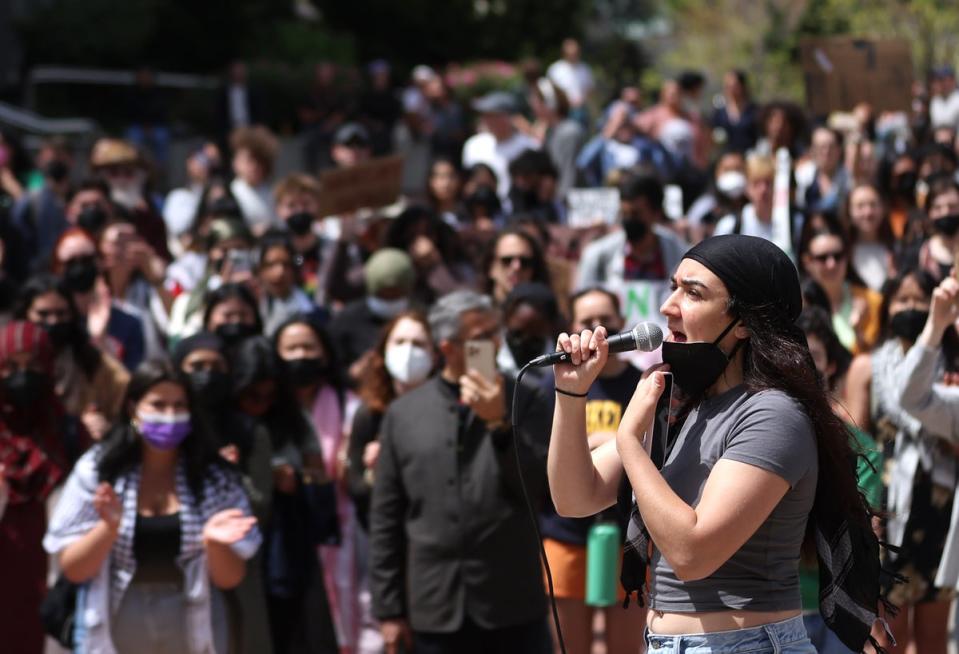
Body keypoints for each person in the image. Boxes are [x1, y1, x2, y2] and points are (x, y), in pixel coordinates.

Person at [548, 234, 884, 653]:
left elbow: (693, 553)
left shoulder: (773, 415)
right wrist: (571, 394)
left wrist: (631, 443)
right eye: (673, 287)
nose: (668, 306)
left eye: (692, 293)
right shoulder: (681, 405)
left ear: (743, 322)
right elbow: (574, 498)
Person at [370, 290, 553, 654]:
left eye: (494, 333)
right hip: (436, 607)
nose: (494, 344)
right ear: (448, 347)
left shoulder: (528, 396)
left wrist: (500, 425)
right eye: (480, 339)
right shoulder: (404, 413)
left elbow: (540, 491)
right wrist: (388, 610)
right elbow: (386, 518)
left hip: (512, 602)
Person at [44, 359, 262, 654]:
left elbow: (230, 577)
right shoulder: (99, 469)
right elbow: (73, 569)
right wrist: (108, 528)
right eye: (158, 405)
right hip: (120, 611)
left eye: (179, 406)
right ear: (133, 407)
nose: (170, 416)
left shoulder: (214, 478)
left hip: (193, 613)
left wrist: (214, 543)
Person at [844, 269, 959, 653]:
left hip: (939, 507)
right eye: (902, 299)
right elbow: (859, 447)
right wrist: (865, 513)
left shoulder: (951, 365)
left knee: (932, 638)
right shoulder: (867, 367)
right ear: (888, 306)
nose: (909, 307)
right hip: (884, 513)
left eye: (918, 300)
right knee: (887, 637)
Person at [539, 288, 645, 654]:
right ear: (572, 327)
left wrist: (606, 442)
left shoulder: (644, 386)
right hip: (566, 535)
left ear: (620, 322)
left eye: (606, 320)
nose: (598, 329)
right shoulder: (553, 382)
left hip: (625, 537)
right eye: (587, 322)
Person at [231, 336, 338, 654]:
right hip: (238, 548)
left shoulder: (295, 422)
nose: (261, 404)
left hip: (288, 547)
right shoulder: (223, 424)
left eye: (269, 396)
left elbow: (318, 477)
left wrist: (295, 481)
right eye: (253, 396)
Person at [172, 332, 273, 654]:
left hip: (237, 567)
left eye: (216, 366)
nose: (207, 374)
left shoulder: (248, 430)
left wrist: (231, 479)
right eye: (197, 365)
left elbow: (261, 503)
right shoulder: (170, 427)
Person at [795, 307, 884, 653]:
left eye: (812, 356)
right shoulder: (755, 438)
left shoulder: (861, 449)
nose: (802, 365)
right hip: (773, 610)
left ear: (830, 365)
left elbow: (865, 530)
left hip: (838, 609)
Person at [274, 316, 362, 651]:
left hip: (338, 529)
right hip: (285, 533)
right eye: (291, 349)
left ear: (324, 354)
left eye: (308, 347)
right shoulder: (270, 407)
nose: (300, 356)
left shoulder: (347, 405)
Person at [0, 322, 75, 654]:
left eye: (33, 365)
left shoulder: (70, 433)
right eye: (11, 367)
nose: (23, 376)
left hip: (51, 579)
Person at [347, 310, 437, 530]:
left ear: (435, 354)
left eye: (418, 344)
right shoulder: (368, 414)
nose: (408, 351)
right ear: (384, 351)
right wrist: (375, 474)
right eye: (399, 342)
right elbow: (356, 487)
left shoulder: (448, 410)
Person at [15, 274, 130, 441]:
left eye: (61, 313)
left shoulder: (94, 363)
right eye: (43, 314)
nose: (53, 322)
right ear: (26, 314)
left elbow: (129, 406)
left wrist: (108, 429)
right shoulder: (10, 363)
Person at [576, 172, 689, 287]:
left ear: (656, 213)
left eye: (635, 214)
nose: (629, 220)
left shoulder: (679, 254)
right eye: (624, 214)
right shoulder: (597, 256)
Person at [797, 217, 882, 354]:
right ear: (807, 262)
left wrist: (859, 331)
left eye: (838, 256)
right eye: (822, 258)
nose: (832, 264)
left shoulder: (872, 301)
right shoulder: (796, 308)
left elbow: (876, 360)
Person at [328, 248, 417, 377]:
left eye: (396, 295)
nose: (390, 301)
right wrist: (352, 374)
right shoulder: (346, 321)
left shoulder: (420, 318)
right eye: (384, 295)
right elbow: (332, 367)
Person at [462, 91, 539, 202]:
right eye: (485, 115)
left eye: (493, 115)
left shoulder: (529, 146)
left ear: (508, 116)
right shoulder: (473, 145)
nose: (487, 120)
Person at [713, 154, 795, 256]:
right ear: (747, 187)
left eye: (768, 182)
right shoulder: (729, 226)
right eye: (756, 183)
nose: (763, 190)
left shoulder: (793, 222)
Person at [256, 229, 324, 336]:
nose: (280, 273)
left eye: (286, 264)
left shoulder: (313, 309)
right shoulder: (252, 310)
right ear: (259, 270)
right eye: (270, 265)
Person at [479, 228, 552, 307]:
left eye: (525, 262)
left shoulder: (548, 316)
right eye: (507, 260)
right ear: (490, 266)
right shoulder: (474, 314)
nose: (517, 267)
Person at [230, 126, 280, 234]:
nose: (254, 166)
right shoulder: (230, 193)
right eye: (249, 161)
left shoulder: (273, 192)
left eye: (259, 162)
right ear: (236, 162)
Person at [846, 183, 895, 292]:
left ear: (883, 208)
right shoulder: (841, 254)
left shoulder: (898, 249)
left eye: (873, 204)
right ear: (849, 211)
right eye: (860, 206)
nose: (868, 212)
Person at [918, 176, 959, 282]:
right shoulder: (920, 253)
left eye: (952, 206)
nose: (946, 212)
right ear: (929, 212)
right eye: (938, 208)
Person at [546, 38, 594, 124]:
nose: (573, 56)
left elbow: (589, 89)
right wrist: (566, 102)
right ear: (564, 53)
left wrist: (581, 100)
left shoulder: (585, 68)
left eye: (575, 53)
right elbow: (550, 90)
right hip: (562, 109)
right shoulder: (555, 69)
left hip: (581, 108)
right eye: (570, 54)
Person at [710, 70, 758, 154]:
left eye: (734, 85)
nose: (731, 89)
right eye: (728, 86)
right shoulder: (719, 111)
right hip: (725, 158)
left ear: (742, 86)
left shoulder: (754, 111)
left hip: (749, 156)